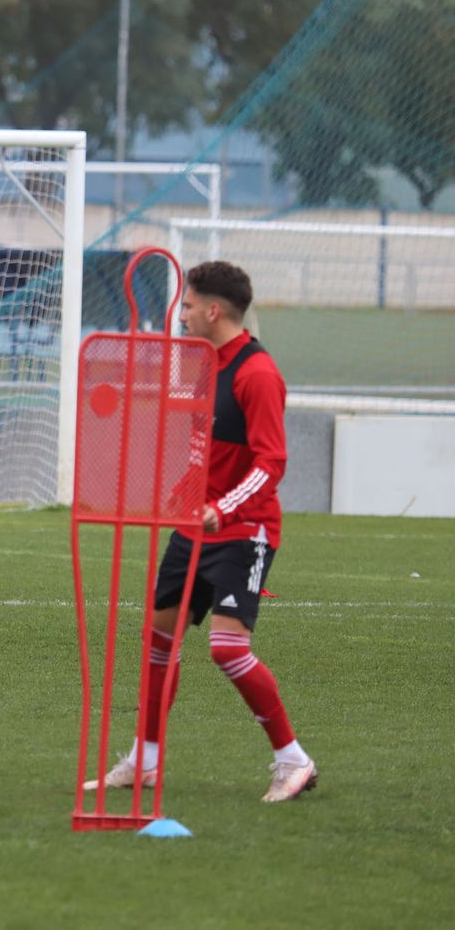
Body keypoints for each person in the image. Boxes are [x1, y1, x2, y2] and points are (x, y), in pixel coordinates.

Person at [90, 260, 316, 803]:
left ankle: (294, 761)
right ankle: (144, 761)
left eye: (187, 305)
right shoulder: (201, 364)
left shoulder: (257, 374)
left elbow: (271, 463)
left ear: (213, 311)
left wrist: (222, 506)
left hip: (245, 530)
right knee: (159, 638)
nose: (181, 314)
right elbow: (203, 448)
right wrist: (186, 490)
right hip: (196, 527)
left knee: (226, 649)